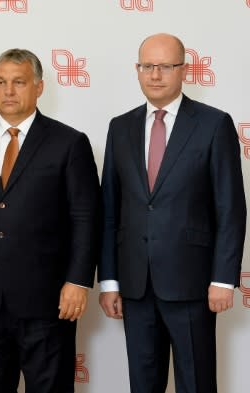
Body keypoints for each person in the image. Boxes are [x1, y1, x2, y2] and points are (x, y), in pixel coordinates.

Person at [0, 49, 100, 393]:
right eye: (1, 82)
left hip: (48, 301)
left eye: (18, 82)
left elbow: (86, 218)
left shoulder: (69, 143)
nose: (8, 91)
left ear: (39, 87)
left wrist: (78, 280)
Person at [98, 33, 246, 393]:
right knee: (143, 383)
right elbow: (110, 210)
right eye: (147, 66)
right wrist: (110, 279)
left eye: (165, 66)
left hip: (192, 282)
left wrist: (223, 279)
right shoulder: (120, 127)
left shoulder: (214, 124)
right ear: (137, 70)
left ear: (184, 70)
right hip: (135, 284)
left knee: (195, 382)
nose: (155, 75)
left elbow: (231, 207)